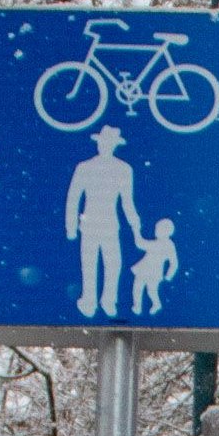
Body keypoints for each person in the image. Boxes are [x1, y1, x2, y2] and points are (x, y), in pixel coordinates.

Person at [63, 126, 141, 317]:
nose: (104, 146)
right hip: (90, 224)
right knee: (90, 264)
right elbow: (73, 198)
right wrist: (71, 227)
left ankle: (108, 301)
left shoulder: (123, 169)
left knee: (113, 264)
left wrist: (134, 224)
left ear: (114, 145)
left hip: (109, 224)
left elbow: (127, 201)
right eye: (102, 142)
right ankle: (89, 300)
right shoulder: (85, 167)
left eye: (108, 143)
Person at [130, 218, 178, 314]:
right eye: (156, 228)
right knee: (139, 287)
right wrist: (169, 275)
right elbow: (174, 263)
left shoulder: (163, 244)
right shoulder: (165, 244)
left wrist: (136, 231)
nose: (156, 231)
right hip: (146, 269)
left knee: (149, 290)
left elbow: (140, 244)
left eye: (158, 229)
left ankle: (154, 304)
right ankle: (138, 306)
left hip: (152, 272)